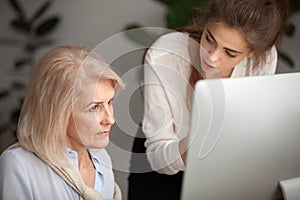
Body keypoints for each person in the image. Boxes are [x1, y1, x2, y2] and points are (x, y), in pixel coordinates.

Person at [128, 0, 289, 199]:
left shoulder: (262, 60)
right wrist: (193, 146)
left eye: (229, 53)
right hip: (161, 166)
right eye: (210, 39)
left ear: (250, 53)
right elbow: (157, 157)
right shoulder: (165, 55)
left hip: (220, 172)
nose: (212, 57)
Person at [0, 45, 124, 200]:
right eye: (94, 108)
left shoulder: (102, 159)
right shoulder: (18, 165)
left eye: (110, 102)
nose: (110, 119)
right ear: (59, 112)